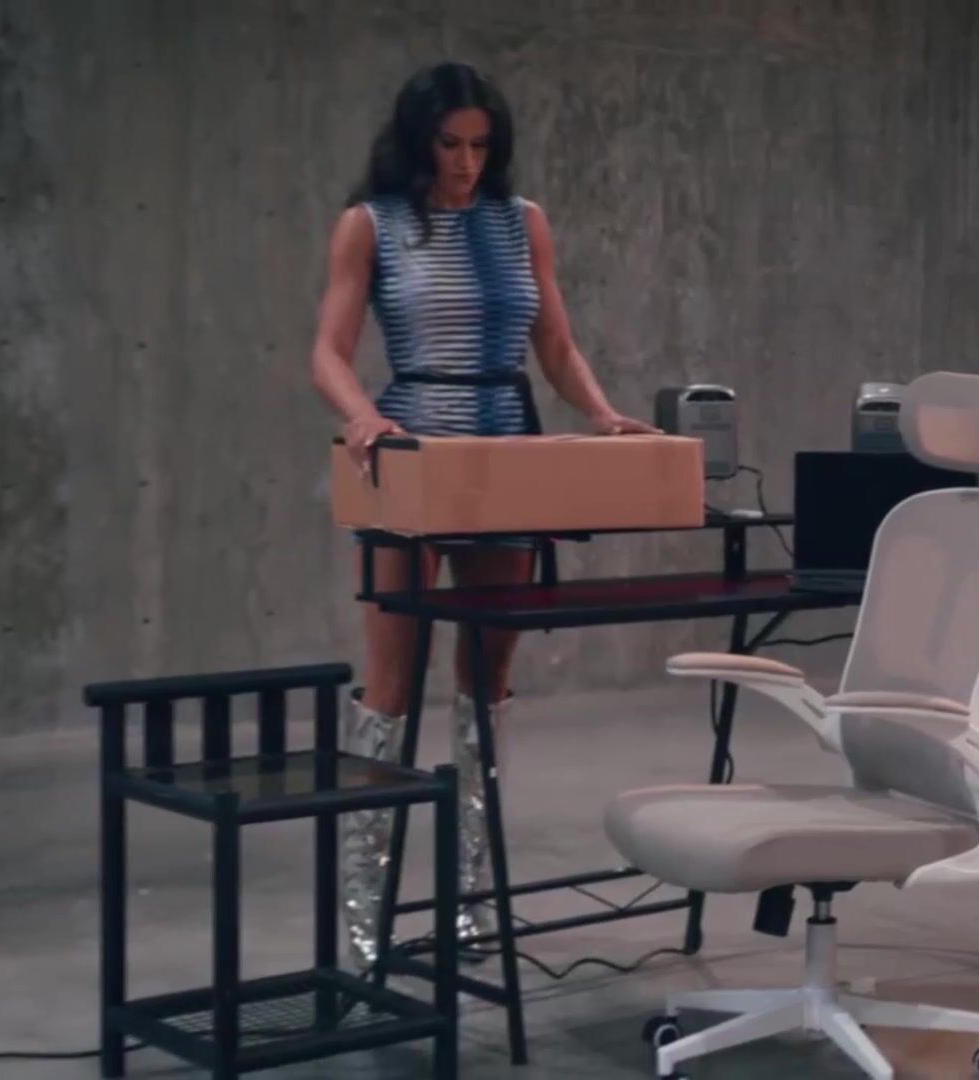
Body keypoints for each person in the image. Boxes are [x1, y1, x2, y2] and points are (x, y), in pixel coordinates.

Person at [309, 61, 655, 968]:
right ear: (416, 140)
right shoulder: (371, 223)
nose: (465, 162)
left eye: (479, 145)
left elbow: (554, 341)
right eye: (449, 144)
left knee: (487, 682)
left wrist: (601, 413)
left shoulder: (521, 220)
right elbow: (328, 351)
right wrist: (361, 415)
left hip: (507, 446)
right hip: (410, 453)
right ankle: (365, 916)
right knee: (391, 683)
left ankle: (470, 897)